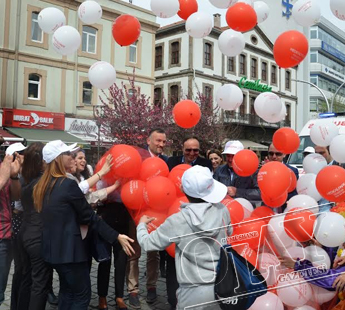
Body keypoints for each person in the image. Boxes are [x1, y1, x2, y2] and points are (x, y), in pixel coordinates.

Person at [32, 140, 135, 309]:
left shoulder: (43, 184)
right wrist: (116, 236)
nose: (72, 158)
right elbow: (89, 216)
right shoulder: (66, 184)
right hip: (70, 252)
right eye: (69, 155)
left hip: (53, 251)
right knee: (81, 295)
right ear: (59, 159)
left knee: (67, 291)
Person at [137, 165, 230, 309]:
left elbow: (148, 243)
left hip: (191, 292)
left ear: (182, 190)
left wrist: (142, 225)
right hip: (222, 286)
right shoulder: (222, 210)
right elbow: (229, 232)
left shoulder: (177, 220)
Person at [165, 136, 213, 309]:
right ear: (182, 149)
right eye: (188, 150)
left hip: (197, 218)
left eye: (196, 150)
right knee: (172, 259)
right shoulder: (172, 162)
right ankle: (173, 300)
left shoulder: (205, 164)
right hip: (174, 214)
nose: (192, 153)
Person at [0, 148, 21, 306]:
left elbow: (16, 196)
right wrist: (4, 176)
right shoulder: (3, 170)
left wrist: (13, 177)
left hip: (6, 235)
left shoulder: (4, 167)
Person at [213, 141, 261, 206]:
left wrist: (237, 192)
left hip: (246, 209)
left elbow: (259, 193)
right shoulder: (219, 170)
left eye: (233, 156)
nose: (230, 159)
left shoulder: (252, 171)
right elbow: (212, 190)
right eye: (228, 156)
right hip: (224, 209)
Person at [267, 143, 299, 207]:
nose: (274, 156)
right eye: (271, 153)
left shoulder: (293, 171)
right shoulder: (262, 171)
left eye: (278, 154)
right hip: (267, 208)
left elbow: (294, 193)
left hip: (285, 209)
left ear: (284, 154)